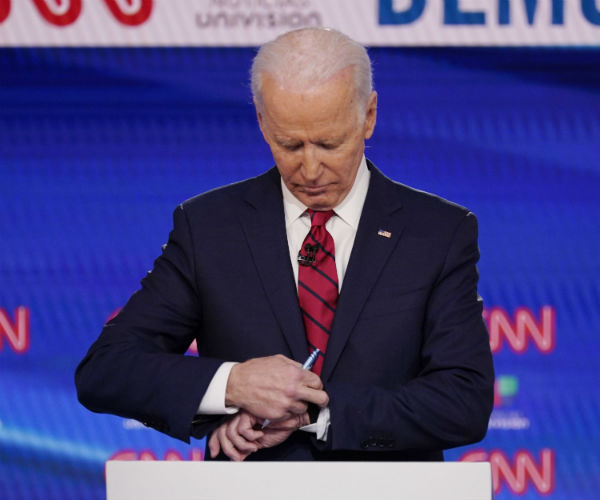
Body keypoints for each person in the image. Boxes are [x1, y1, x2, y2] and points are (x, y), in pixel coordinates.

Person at [75, 27, 494, 462]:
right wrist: (233, 384)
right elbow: (106, 369)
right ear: (261, 120)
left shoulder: (438, 232)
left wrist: (315, 411)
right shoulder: (208, 227)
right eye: (289, 144)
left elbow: (464, 401)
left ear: (368, 116)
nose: (310, 168)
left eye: (330, 143)